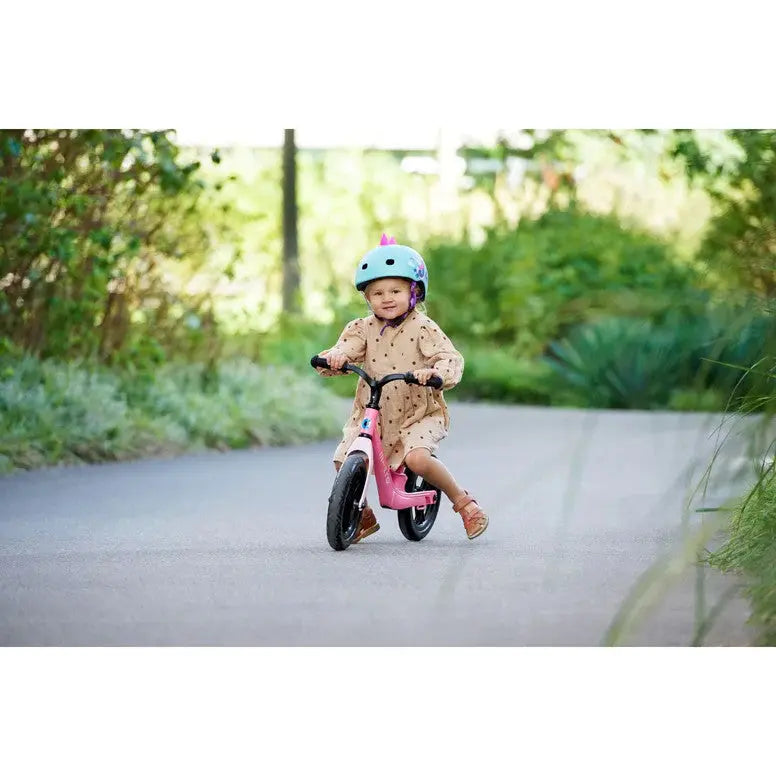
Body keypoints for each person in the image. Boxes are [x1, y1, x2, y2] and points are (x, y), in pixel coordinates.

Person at [315, 234, 489, 542]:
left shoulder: (423, 327)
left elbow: (449, 357)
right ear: (367, 298)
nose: (386, 298)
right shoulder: (362, 328)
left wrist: (435, 373)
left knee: (417, 460)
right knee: (344, 458)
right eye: (377, 292)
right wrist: (336, 356)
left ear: (415, 291)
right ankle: (361, 516)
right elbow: (347, 347)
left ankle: (464, 503)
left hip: (417, 413)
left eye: (395, 290)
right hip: (373, 412)